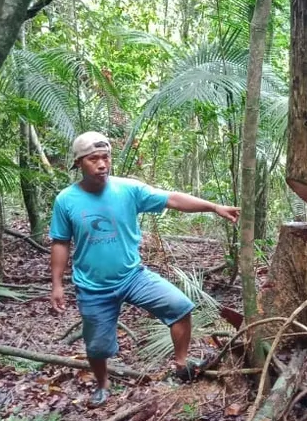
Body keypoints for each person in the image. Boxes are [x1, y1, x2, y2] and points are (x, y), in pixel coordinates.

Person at [49, 132, 240, 406]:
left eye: (106, 158)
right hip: (93, 286)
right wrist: (56, 284)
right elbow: (60, 242)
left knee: (181, 307)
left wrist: (212, 206)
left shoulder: (128, 189)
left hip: (133, 276)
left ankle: (181, 364)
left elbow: (172, 199)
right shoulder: (66, 200)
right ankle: (102, 385)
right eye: (94, 159)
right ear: (79, 163)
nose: (102, 164)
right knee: (97, 346)